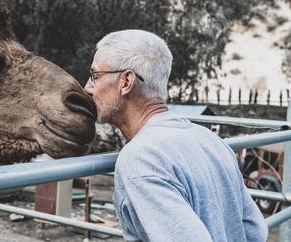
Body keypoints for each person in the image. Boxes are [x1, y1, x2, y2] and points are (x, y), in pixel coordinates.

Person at [84, 29, 268, 241]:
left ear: (126, 82)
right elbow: (256, 230)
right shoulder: (210, 140)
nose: (88, 87)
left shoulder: (141, 158)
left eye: (95, 76)